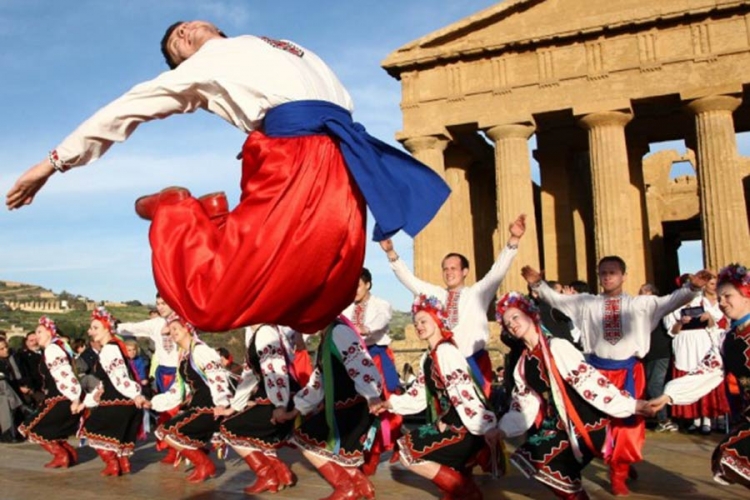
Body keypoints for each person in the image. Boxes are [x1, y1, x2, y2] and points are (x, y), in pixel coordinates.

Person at [6, 20, 450, 336]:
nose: (183, 40)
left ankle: (214, 221)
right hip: (304, 157)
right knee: (214, 306)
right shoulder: (229, 59)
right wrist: (54, 161)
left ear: (193, 33)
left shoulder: (271, 45)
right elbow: (128, 108)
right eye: (178, 54)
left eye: (180, 43)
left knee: (323, 296)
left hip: (337, 157)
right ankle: (178, 209)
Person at [522, 259, 711, 495]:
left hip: (629, 372)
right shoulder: (586, 302)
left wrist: (692, 288)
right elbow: (556, 300)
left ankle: (619, 472)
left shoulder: (642, 304)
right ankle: (614, 461)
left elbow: (671, 301)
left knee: (627, 426)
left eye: (612, 273)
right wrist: (538, 284)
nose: (607, 277)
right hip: (595, 372)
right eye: (603, 273)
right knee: (594, 424)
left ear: (624, 275)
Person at [486, 292, 651, 499]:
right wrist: (503, 430)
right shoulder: (522, 365)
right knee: (528, 460)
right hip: (558, 427)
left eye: (516, 317)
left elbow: (591, 382)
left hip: (585, 424)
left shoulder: (557, 347)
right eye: (507, 322)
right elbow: (523, 403)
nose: (511, 324)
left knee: (539, 462)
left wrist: (631, 406)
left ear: (531, 315)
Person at [381, 213, 527, 397]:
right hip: (446, 364)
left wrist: (513, 239)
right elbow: (410, 280)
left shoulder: (477, 293)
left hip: (474, 362)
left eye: (453, 268)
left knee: (477, 415)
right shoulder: (437, 296)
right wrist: (391, 253)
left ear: (464, 271)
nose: (449, 272)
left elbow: (498, 270)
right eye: (445, 269)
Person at [374, 295, 495, 500]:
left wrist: (485, 428)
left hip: (463, 429)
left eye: (423, 321)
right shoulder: (429, 356)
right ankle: (457, 488)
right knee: (405, 446)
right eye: (416, 322)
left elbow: (466, 395)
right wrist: (390, 403)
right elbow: (418, 394)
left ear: (438, 322)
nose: (418, 326)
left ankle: (465, 490)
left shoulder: (446, 352)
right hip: (451, 424)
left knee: (409, 455)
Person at [650, 263, 750, 489]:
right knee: (729, 458)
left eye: (728, 296)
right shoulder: (727, 339)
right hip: (745, 415)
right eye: (720, 297)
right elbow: (709, 368)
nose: (722, 302)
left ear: (746, 296)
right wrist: (669, 396)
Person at [271, 317, 382, 500]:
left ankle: (345, 488)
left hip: (351, 408)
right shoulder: (328, 335)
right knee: (326, 447)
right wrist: (296, 409)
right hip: (341, 408)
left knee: (303, 439)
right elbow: (318, 382)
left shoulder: (339, 331)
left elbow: (361, 364)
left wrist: (372, 396)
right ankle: (361, 486)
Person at [216, 324, 302, 494]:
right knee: (254, 433)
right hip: (276, 396)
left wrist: (279, 404)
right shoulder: (260, 332)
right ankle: (280, 473)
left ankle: (267, 475)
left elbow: (275, 368)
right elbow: (249, 376)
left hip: (276, 398)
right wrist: (233, 406)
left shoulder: (265, 332)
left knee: (228, 428)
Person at [150, 314, 232, 483]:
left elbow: (217, 376)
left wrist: (222, 403)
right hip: (197, 405)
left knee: (168, 432)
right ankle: (203, 464)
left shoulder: (200, 350)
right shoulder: (184, 355)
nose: (172, 333)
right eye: (170, 330)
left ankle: (204, 464)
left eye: (176, 329)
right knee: (165, 431)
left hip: (209, 406)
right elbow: (179, 388)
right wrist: (153, 401)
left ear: (187, 329)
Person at [342, 267, 401, 475]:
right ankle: (360, 449)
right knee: (356, 404)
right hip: (353, 358)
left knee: (380, 405)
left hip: (376, 357)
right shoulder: (346, 308)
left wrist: (365, 329)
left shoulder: (381, 304)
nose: (354, 290)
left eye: (358, 285)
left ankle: (374, 454)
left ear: (367, 284)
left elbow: (382, 320)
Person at [79, 307, 148, 476]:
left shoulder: (110, 349)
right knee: (120, 436)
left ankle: (112, 463)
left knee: (90, 429)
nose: (90, 331)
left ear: (106, 328)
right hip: (124, 402)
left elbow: (120, 377)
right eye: (91, 328)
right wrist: (87, 402)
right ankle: (123, 464)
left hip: (117, 401)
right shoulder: (116, 347)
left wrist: (135, 394)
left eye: (95, 328)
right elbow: (107, 382)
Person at [664, 273, 729, 434]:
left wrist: (708, 318)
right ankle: (694, 419)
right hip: (684, 343)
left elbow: (715, 325)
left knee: (702, 374)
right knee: (687, 375)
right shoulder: (672, 306)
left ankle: (707, 418)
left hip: (702, 342)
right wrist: (680, 322)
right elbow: (671, 331)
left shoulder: (704, 302)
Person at [118, 293, 179, 463]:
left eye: (164, 303)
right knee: (165, 411)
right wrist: (114, 326)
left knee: (177, 411)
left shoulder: (184, 320)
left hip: (180, 371)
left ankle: (189, 449)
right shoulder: (157, 323)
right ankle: (172, 449)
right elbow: (135, 327)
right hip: (163, 373)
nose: (160, 306)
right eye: (158, 303)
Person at [18, 317, 83, 468]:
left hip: (60, 397)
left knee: (31, 428)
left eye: (40, 331)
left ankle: (62, 455)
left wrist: (75, 398)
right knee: (51, 430)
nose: (36, 335)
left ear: (49, 332)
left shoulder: (52, 349)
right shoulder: (54, 348)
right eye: (35, 332)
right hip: (60, 396)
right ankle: (69, 454)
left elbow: (65, 374)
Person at [639, 283, 678, 433]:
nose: (640, 295)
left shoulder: (661, 308)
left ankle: (664, 419)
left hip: (661, 352)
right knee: (650, 384)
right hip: (649, 353)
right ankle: (659, 418)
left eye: (643, 292)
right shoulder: (643, 310)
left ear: (651, 293)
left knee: (654, 385)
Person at [0, 338, 26, 442]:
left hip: (16, 389)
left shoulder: (14, 359)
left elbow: (22, 375)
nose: (5, 350)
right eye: (1, 349)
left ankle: (12, 432)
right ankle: (9, 433)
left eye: (6, 347)